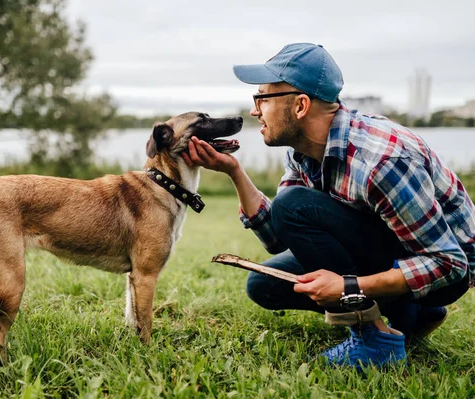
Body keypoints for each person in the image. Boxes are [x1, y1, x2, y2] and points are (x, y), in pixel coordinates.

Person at [182, 43, 474, 369]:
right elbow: (279, 235)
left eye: (262, 98)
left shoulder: (380, 161)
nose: (254, 111)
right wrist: (233, 170)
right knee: (265, 285)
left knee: (292, 204)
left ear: (300, 106)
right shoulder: (303, 150)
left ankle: (376, 339)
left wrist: (349, 287)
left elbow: (450, 264)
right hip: (393, 248)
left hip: (444, 272)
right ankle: (413, 314)